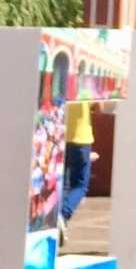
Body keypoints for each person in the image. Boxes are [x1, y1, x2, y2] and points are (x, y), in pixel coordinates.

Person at [59, 99, 97, 235]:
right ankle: (64, 213)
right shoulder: (85, 90)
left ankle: (58, 215)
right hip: (82, 137)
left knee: (64, 183)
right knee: (81, 185)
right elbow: (100, 105)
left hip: (61, 135)